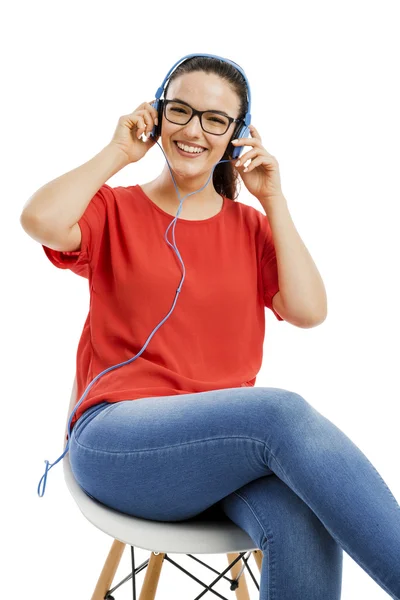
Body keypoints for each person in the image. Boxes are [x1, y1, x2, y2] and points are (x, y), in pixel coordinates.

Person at [20, 54, 400, 600]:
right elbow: (40, 220)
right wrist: (120, 152)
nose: (194, 130)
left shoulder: (250, 228)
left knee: (305, 513)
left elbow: (310, 310)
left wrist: (273, 199)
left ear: (236, 136)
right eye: (180, 110)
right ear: (157, 116)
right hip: (118, 442)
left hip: (222, 460)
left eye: (216, 120)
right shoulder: (114, 210)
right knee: (280, 413)